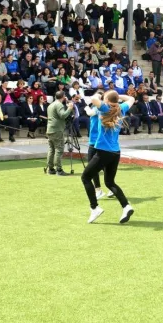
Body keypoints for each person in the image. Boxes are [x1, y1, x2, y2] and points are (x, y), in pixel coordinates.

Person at [83, 90, 136, 224]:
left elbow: (93, 99)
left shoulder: (105, 108)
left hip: (103, 151)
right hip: (115, 152)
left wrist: (99, 96)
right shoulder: (120, 108)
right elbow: (131, 99)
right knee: (110, 182)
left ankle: (94, 208)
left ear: (106, 100)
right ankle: (126, 206)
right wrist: (118, 96)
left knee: (85, 177)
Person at [45, 91, 73, 176]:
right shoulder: (59, 105)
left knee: (51, 149)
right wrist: (69, 108)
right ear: (63, 97)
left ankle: (51, 169)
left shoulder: (51, 105)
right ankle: (59, 169)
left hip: (50, 129)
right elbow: (63, 115)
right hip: (57, 130)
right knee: (59, 149)